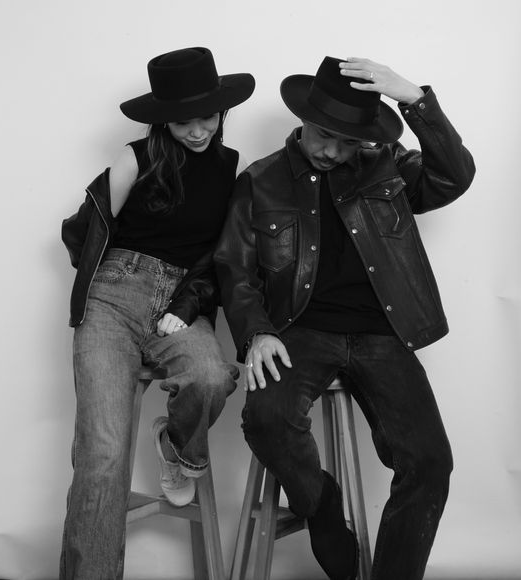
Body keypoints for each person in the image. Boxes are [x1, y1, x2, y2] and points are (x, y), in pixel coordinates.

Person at [214, 55, 475, 580]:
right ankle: (322, 505)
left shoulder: (389, 166)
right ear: (303, 119)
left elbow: (454, 176)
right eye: (324, 135)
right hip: (300, 330)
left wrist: (415, 99)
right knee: (267, 419)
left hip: (383, 332)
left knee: (429, 462)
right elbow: (234, 269)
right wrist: (257, 332)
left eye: (348, 141)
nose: (332, 151)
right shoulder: (261, 180)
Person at [59, 47, 254, 579]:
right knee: (102, 455)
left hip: (181, 303)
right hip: (113, 299)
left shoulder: (231, 168)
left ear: (221, 112)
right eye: (184, 120)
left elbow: (222, 255)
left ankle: (177, 446)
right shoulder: (136, 157)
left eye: (207, 117)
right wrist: (113, 278)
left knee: (211, 378)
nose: (198, 130)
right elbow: (82, 230)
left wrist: (185, 303)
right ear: (163, 119)